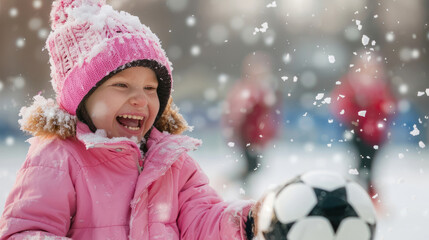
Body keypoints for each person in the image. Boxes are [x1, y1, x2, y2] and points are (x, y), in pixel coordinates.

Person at [0, 0, 264, 239]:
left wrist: (251, 221)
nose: (140, 100)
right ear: (83, 98)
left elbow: (203, 220)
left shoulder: (171, 163)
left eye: (150, 89)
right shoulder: (58, 159)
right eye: (122, 86)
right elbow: (25, 232)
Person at [330, 50, 397, 200]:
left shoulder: (380, 86)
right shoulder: (351, 84)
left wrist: (377, 110)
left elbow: (389, 107)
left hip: (375, 135)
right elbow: (341, 105)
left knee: (369, 167)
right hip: (357, 132)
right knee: (361, 166)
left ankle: (363, 195)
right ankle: (357, 195)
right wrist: (355, 117)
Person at [222, 52, 281, 182]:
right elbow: (236, 114)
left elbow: (268, 115)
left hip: (255, 137)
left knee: (253, 167)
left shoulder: (262, 89)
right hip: (247, 136)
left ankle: (239, 187)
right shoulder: (246, 90)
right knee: (252, 166)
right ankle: (228, 181)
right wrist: (235, 132)